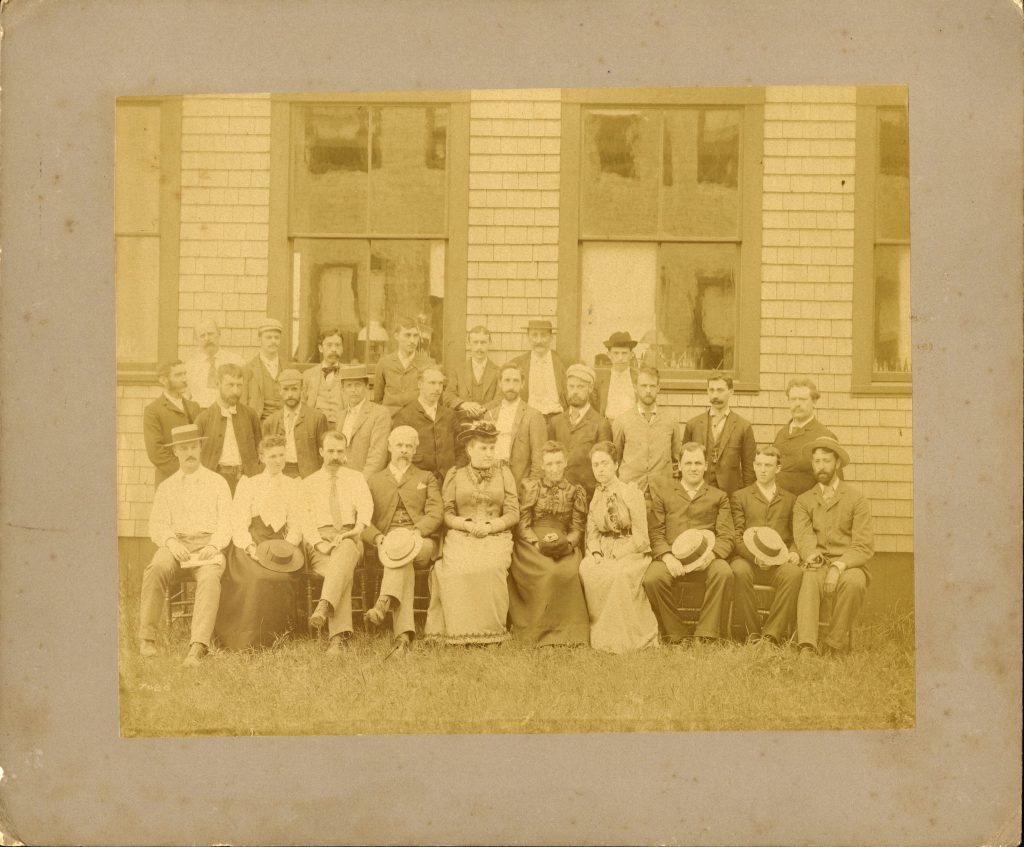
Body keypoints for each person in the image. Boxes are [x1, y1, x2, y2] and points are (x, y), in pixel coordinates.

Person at [137, 424, 232, 667]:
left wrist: (215, 544)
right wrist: (170, 541)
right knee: (156, 567)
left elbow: (226, 521)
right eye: (183, 448)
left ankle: (198, 646)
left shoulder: (217, 482)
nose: (189, 452)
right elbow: (157, 524)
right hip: (176, 544)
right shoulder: (167, 487)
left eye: (193, 447)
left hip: (208, 544)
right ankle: (147, 638)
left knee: (210, 578)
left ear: (200, 448)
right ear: (176, 452)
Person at [424, 421, 519, 645]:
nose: (488, 454)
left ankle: (489, 633)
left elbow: (513, 513)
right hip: (462, 533)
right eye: (482, 448)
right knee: (455, 570)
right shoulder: (455, 475)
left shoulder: (504, 473)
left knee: (490, 567)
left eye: (491, 448)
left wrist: (490, 527)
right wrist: (465, 525)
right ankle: (459, 632)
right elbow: (447, 512)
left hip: (495, 534)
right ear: (469, 450)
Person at [214, 435, 304, 650]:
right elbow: (239, 523)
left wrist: (288, 546)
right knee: (258, 577)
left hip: (280, 547)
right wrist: (250, 547)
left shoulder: (293, 485)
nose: (277, 460)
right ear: (262, 457)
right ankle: (247, 638)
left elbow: (296, 524)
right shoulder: (249, 484)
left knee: (280, 577)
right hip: (251, 543)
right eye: (272, 456)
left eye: (281, 455)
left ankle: (278, 637)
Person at [361, 426, 444, 657]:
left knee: (401, 554)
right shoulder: (374, 480)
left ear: (415, 449)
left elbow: (436, 513)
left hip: (421, 541)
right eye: (399, 445)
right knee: (400, 558)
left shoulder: (426, 477)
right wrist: (377, 537)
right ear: (389, 447)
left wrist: (418, 531)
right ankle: (403, 636)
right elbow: (363, 520)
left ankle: (383, 602)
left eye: (409, 446)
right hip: (387, 542)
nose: (404, 450)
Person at [644, 442, 736, 643]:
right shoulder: (664, 494)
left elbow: (727, 535)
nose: (693, 468)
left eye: (698, 463)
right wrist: (667, 557)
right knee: (652, 579)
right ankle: (676, 633)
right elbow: (656, 532)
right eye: (688, 463)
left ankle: (706, 633)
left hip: (707, 557)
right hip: (672, 558)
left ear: (705, 466)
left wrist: (713, 555)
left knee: (724, 572)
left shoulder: (718, 496)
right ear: (679, 466)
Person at [794, 437, 873, 657]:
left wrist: (838, 567)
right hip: (818, 563)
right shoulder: (804, 500)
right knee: (809, 578)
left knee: (855, 583)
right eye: (817, 461)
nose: (821, 466)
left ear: (837, 463)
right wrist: (811, 555)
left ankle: (835, 643)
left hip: (848, 564)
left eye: (826, 461)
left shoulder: (857, 500)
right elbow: (803, 535)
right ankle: (807, 645)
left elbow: (863, 545)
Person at [578, 441, 659, 654]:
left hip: (632, 550)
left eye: (605, 463)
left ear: (615, 464)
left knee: (617, 574)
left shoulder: (630, 492)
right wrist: (595, 552)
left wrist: (620, 553)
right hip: (604, 549)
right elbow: (592, 533)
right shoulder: (596, 496)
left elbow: (641, 537)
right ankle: (602, 635)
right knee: (588, 568)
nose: (600, 469)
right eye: (596, 465)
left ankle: (626, 638)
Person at [299, 431, 374, 656]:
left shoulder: (356, 478)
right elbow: (305, 520)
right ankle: (337, 639)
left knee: (343, 554)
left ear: (346, 453)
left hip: (349, 537)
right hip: (320, 543)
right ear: (321, 452)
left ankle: (324, 606)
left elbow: (366, 510)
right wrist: (320, 545)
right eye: (330, 451)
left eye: (340, 451)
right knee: (339, 571)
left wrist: (354, 532)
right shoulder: (309, 483)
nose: (335, 456)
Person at [509, 441, 590, 646]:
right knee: (546, 572)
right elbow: (523, 523)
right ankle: (536, 632)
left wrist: (568, 545)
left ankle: (567, 634)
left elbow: (577, 527)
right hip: (532, 543)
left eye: (558, 463)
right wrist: (536, 543)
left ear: (565, 463)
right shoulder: (531, 487)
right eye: (549, 464)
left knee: (567, 572)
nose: (554, 468)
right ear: (543, 466)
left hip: (564, 543)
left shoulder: (574, 491)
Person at [728, 445, 803, 644]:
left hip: (778, 563)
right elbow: (736, 536)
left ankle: (771, 635)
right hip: (748, 560)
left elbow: (797, 534)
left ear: (778, 469)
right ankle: (752, 634)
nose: (763, 470)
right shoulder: (740, 496)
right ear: (753, 466)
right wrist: (754, 557)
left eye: (768, 465)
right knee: (738, 571)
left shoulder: (790, 499)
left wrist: (794, 551)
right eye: (759, 464)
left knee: (794, 574)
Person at [611, 366, 682, 495]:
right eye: (643, 386)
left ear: (658, 388)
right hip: (630, 491)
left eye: (652, 386)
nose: (648, 390)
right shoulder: (622, 421)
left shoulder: (670, 421)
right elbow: (616, 458)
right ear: (635, 388)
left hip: (662, 493)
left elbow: (676, 456)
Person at [548, 363, 613, 503]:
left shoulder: (601, 424)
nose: (575, 391)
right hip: (557, 498)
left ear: (590, 388)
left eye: (580, 387)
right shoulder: (555, 422)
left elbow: (605, 468)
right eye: (571, 386)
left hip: (588, 497)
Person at [682, 375, 756, 495]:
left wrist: (745, 499)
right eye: (711, 390)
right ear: (707, 391)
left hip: (730, 495)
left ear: (731, 392)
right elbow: (684, 463)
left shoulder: (743, 427)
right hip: (699, 495)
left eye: (720, 390)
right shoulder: (693, 425)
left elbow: (749, 471)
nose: (715, 395)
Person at [195, 363, 262, 494]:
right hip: (215, 481)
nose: (236, 391)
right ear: (217, 384)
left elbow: (260, 450)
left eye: (239, 385)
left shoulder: (250, 415)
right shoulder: (203, 418)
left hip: (245, 480)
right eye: (230, 385)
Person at [772, 377, 840, 496]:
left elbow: (834, 484)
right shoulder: (781, 434)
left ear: (814, 402)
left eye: (803, 399)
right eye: (793, 399)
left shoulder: (824, 436)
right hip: (780, 509)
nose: (797, 404)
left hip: (808, 509)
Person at [391, 367, 458, 483]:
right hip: (417, 482)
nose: (437, 388)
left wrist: (455, 473)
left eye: (440, 384)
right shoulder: (405, 416)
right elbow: (398, 455)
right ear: (420, 384)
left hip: (448, 481)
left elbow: (461, 450)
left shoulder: (450, 415)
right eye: (432, 383)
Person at [482, 364, 547, 484]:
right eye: (507, 380)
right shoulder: (489, 415)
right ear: (500, 384)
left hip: (519, 485)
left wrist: (531, 489)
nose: (511, 386)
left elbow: (539, 461)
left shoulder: (533, 416)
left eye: (516, 381)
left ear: (522, 384)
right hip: (491, 483)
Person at [261, 369, 329, 479]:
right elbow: (266, 454)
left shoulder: (317, 418)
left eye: (294, 389)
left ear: (302, 390)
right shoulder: (270, 422)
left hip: (309, 476)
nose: (290, 394)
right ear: (280, 391)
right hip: (280, 475)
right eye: (286, 389)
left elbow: (324, 454)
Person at [143, 359, 201, 488]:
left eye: (185, 373)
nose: (184, 379)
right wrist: (185, 471)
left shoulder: (194, 407)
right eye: (178, 375)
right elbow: (156, 452)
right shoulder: (153, 411)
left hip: (196, 481)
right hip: (169, 480)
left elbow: (201, 443)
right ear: (163, 380)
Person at [506, 319, 569, 423]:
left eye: (543, 335)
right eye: (534, 335)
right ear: (528, 337)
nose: (539, 340)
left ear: (551, 338)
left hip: (558, 419)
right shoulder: (517, 364)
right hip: (528, 420)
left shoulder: (563, 363)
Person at [334, 364, 391, 477]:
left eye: (358, 385)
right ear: (343, 389)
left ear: (367, 387)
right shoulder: (341, 415)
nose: (353, 390)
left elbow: (377, 456)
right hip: (340, 478)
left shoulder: (379, 413)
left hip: (364, 480)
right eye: (349, 386)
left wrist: (361, 482)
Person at [373, 318, 435, 415]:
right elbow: (378, 400)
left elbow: (433, 397)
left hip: (417, 421)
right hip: (390, 421)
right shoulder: (384, 363)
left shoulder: (427, 364)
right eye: (407, 335)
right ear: (396, 336)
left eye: (415, 336)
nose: (412, 340)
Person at [184, 319, 244, 409]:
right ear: (196, 340)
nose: (207, 338)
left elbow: (244, 393)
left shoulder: (236, 361)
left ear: (219, 334)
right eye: (202, 335)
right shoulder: (190, 366)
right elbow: (185, 397)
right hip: (199, 414)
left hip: (229, 412)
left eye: (210, 333)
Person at [443, 324, 500, 418]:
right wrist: (464, 405)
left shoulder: (498, 371)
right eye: (475, 342)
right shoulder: (457, 370)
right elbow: (448, 395)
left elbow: (500, 398)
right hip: (462, 423)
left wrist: (483, 408)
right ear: (468, 344)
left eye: (483, 342)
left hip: (488, 423)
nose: (479, 347)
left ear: (489, 344)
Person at [241, 317, 287, 423]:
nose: (273, 341)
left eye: (277, 337)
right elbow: (243, 404)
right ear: (259, 340)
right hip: (259, 423)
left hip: (285, 422)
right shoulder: (247, 369)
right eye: (269, 337)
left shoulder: (288, 368)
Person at [300, 328, 346, 427]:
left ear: (342, 349)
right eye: (329, 345)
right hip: (315, 427)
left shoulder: (349, 374)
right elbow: (301, 405)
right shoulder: (308, 375)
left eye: (337, 345)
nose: (334, 349)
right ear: (320, 348)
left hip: (342, 426)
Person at [594, 331, 639, 420]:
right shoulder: (600, 380)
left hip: (632, 426)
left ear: (631, 354)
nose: (620, 358)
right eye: (616, 353)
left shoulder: (639, 377)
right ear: (609, 355)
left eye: (624, 353)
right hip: (608, 425)